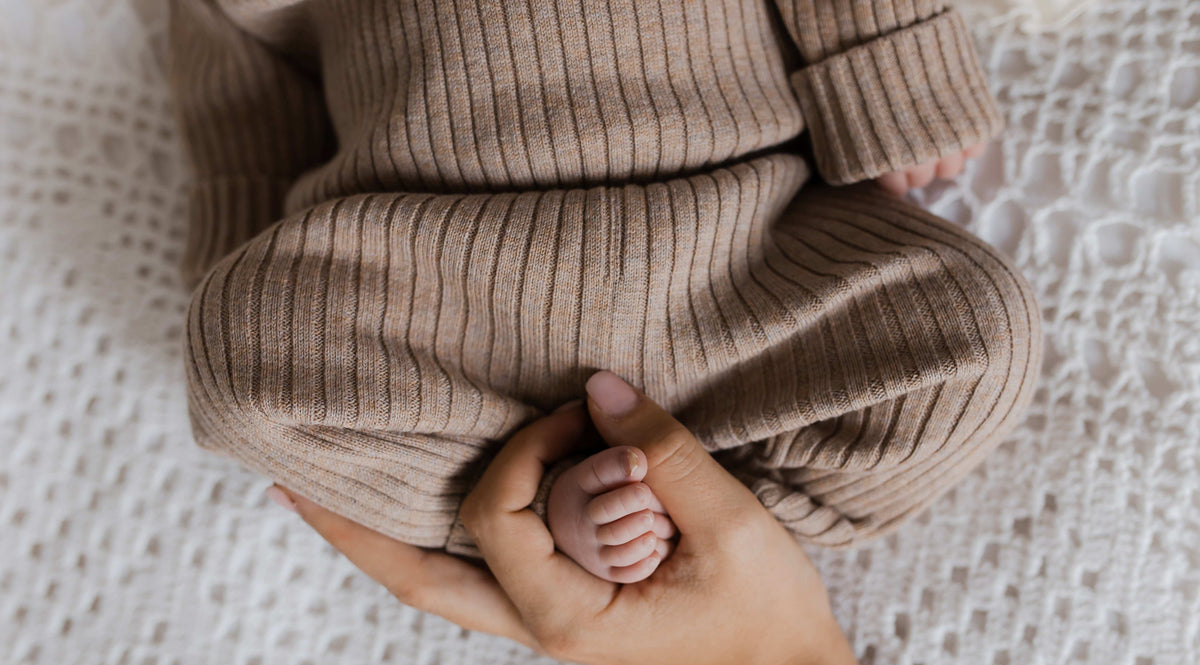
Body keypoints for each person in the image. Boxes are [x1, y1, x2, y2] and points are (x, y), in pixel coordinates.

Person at [170, 0, 1041, 577]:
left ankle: (718, 513)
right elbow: (242, 103)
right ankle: (530, 512)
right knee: (242, 364)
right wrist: (241, 257)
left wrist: (889, 59)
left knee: (978, 330)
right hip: (425, 269)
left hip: (743, 239)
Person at [266, 372, 992, 665]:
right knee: (972, 355)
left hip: (438, 335)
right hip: (731, 277)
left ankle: (575, 510)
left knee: (265, 389)